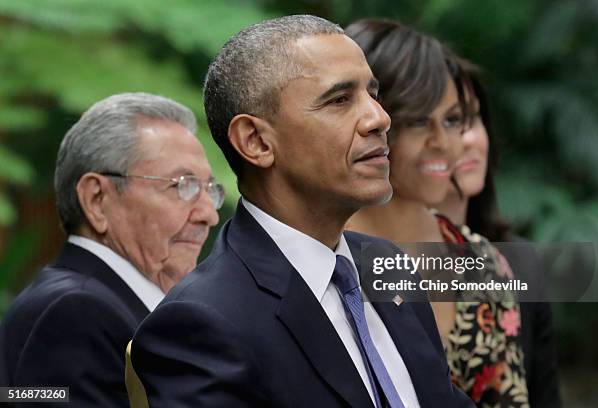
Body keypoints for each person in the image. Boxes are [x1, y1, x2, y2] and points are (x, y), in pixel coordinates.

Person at [127, 15, 473, 407]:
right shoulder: (201, 323)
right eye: (340, 100)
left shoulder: (387, 264)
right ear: (256, 141)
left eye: (372, 94)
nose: (380, 117)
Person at [345, 19, 530, 406]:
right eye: (416, 121)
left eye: (451, 120)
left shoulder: (482, 262)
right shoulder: (322, 259)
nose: (444, 143)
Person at [0, 92, 222, 407]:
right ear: (97, 200)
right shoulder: (76, 310)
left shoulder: (108, 304)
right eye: (182, 185)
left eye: (210, 190)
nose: (209, 214)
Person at [437, 60, 562, 407]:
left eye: (472, 119)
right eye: (449, 122)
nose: (469, 140)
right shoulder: (364, 264)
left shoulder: (518, 261)